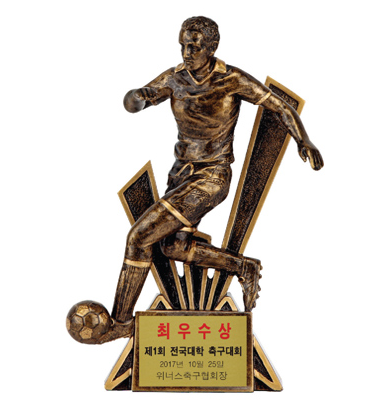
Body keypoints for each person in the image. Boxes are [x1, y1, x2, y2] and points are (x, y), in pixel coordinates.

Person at [100, 16, 323, 343]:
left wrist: (304, 140)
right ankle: (242, 266)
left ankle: (121, 322)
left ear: (212, 47)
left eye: (194, 46)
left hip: (211, 178)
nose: (187, 53)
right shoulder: (174, 78)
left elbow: (280, 106)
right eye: (183, 45)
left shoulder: (231, 79)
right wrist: (137, 97)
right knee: (173, 247)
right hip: (180, 175)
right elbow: (139, 99)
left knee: (139, 237)